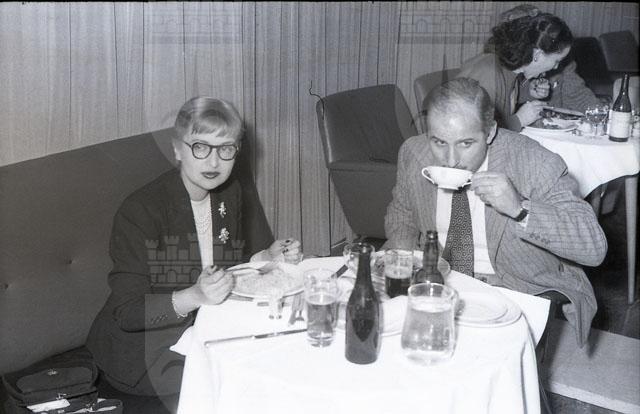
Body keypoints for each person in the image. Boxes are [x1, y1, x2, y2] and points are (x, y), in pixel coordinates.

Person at [86, 97, 301, 399]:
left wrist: (265, 258)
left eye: (225, 149)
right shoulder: (141, 211)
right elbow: (127, 312)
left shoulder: (228, 192)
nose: (214, 163)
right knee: (252, 382)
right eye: (200, 147)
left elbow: (220, 268)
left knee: (286, 349)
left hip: (204, 327)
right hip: (145, 352)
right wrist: (196, 296)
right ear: (177, 149)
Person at [384, 78, 607, 347]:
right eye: (439, 142)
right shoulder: (413, 152)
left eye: (466, 143)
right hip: (439, 279)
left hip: (514, 286)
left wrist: (520, 209)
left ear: (490, 133)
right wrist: (402, 263)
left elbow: (594, 248)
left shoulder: (535, 162)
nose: (451, 159)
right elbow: (402, 214)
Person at [458, 11, 574, 131]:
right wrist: (519, 120)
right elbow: (474, 131)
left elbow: (502, 101)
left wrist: (528, 93)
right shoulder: (487, 73)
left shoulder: (510, 71)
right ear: (538, 54)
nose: (556, 67)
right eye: (556, 61)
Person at [495, 4, 600, 113]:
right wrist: (528, 93)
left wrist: (600, 112)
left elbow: (578, 94)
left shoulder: (560, 57)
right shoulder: (496, 66)